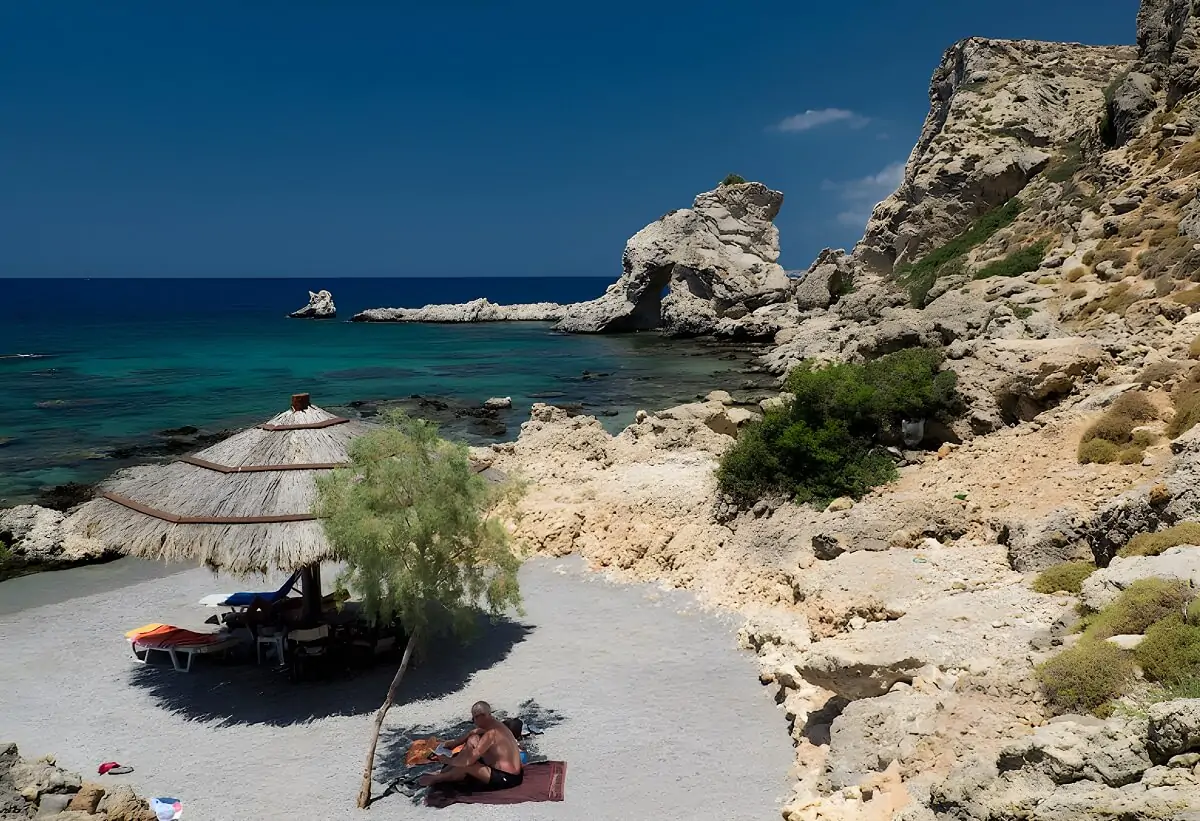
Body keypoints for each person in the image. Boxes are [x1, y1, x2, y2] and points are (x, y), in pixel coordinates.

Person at [418, 701, 524, 790]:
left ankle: (438, 778)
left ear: (482, 716)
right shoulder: (497, 726)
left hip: (508, 778)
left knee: (467, 767)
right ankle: (444, 771)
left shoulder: (492, 734)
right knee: (473, 740)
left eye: (474, 719)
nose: (474, 722)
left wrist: (446, 760)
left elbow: (468, 762)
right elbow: (473, 734)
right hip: (506, 770)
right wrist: (458, 743)